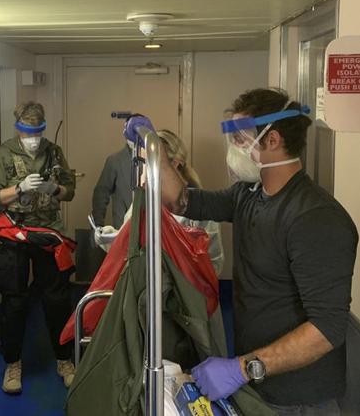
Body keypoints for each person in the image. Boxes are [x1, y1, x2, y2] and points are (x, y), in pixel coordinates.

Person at [127, 88, 358, 415]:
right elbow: (182, 200)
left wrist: (242, 369)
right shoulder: (249, 196)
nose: (232, 149)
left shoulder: (315, 218)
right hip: (261, 384)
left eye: (239, 139)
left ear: (273, 140)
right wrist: (155, 154)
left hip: (302, 396)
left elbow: (326, 329)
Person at [0, 101, 76, 394]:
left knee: (57, 298)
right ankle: (13, 363)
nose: (33, 138)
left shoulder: (54, 152)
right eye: (28, 132)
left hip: (49, 233)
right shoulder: (3, 154)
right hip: (15, 233)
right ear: (19, 129)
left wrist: (55, 189)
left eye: (37, 131)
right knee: (15, 301)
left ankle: (64, 360)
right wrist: (19, 188)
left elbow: (70, 191)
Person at [157, 129, 225, 276]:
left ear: (175, 163)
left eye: (153, 162)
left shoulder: (198, 208)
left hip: (190, 293)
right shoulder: (146, 200)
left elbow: (214, 263)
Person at [91, 131, 133, 229]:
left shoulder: (156, 160)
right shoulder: (115, 161)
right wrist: (98, 224)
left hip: (152, 228)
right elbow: (101, 193)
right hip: (123, 228)